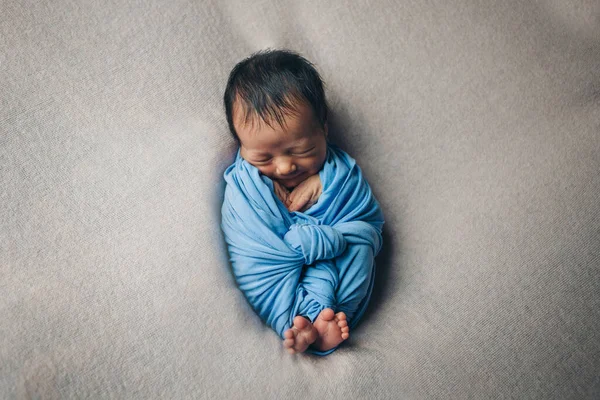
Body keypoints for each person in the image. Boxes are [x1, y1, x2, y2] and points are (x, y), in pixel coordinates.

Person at [221, 49, 384, 355]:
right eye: (263, 157)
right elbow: (251, 251)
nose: (284, 168)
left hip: (339, 273)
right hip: (278, 273)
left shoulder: (339, 170)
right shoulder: (246, 186)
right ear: (242, 148)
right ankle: (302, 323)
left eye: (302, 150)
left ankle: (322, 321)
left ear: (323, 129)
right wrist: (306, 240)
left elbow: (365, 218)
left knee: (359, 246)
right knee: (271, 278)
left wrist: (326, 183)